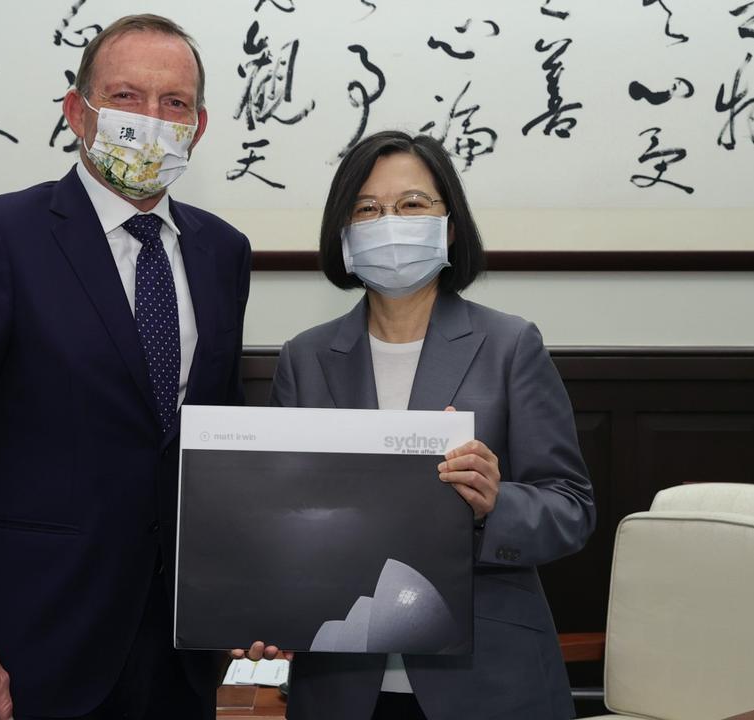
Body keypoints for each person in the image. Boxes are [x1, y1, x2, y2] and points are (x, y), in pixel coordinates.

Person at [0, 14, 251, 720]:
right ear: (77, 112)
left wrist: (250, 597)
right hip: (30, 647)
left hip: (179, 649)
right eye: (125, 96)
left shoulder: (221, 251)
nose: (151, 119)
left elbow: (214, 443)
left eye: (173, 103)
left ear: (198, 126)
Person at [245, 130, 594, 719]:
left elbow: (572, 508)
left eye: (412, 205)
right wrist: (262, 604)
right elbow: (284, 519)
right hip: (342, 682)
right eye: (367, 209)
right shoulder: (304, 358)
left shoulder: (510, 345)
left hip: (486, 680)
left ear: (449, 225)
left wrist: (493, 503)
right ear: (344, 234)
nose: (390, 222)